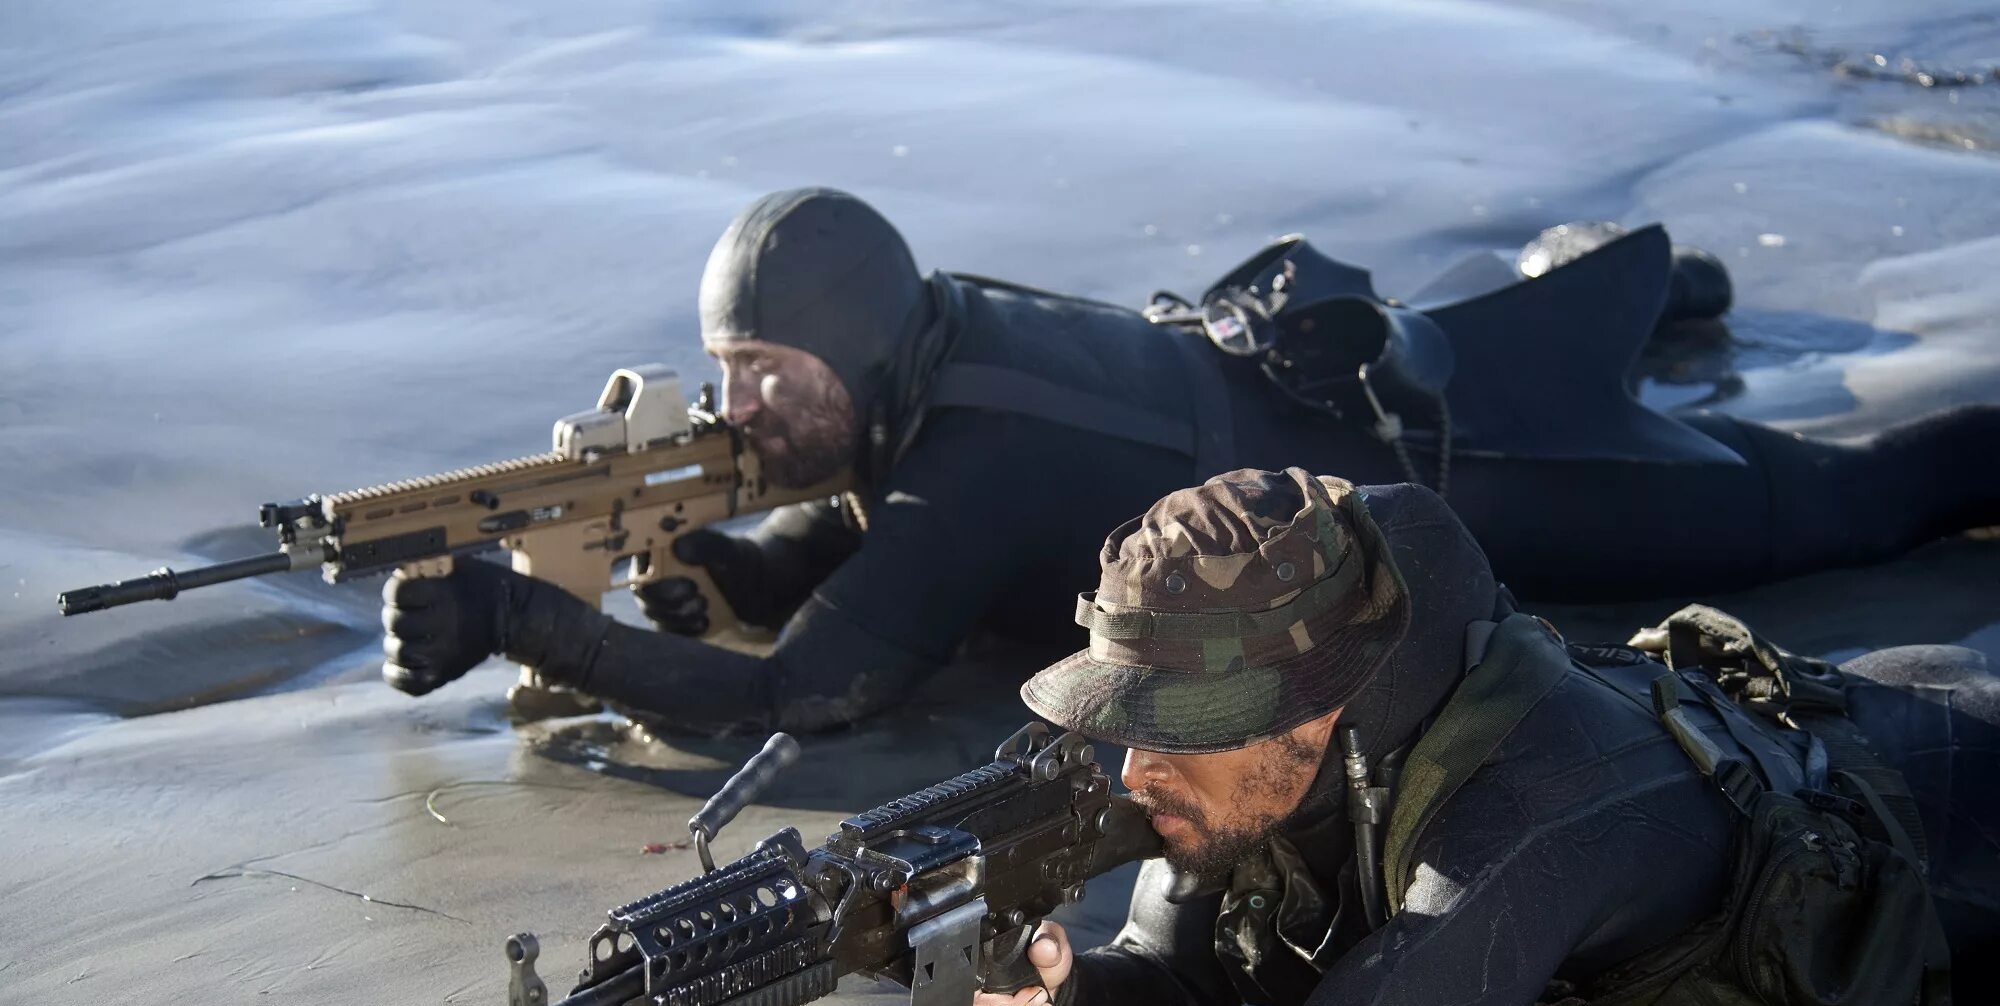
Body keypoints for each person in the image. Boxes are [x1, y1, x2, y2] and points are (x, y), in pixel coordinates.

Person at [685, 467, 1998, 1006]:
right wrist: (1074, 998)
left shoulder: (1541, 806)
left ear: (1310, 714)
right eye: (1124, 722)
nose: (1136, 775)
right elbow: (1176, 974)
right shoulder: (1278, 714)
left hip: (1956, 804)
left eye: (1174, 736)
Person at [379, 188, 2000, 738]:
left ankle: (1646, 305)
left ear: (861, 359)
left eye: (773, 379)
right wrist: (698, 572)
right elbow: (854, 553)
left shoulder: (979, 451)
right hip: (1314, 402)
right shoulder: (937, 359)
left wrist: (526, 629)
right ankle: (1643, 290)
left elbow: (810, 695)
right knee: (1574, 318)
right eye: (727, 373)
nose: (746, 413)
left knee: (1846, 506)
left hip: (1472, 474)